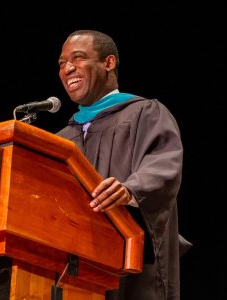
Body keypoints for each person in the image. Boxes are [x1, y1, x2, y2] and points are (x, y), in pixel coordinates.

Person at [56, 29, 192, 300]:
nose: (68, 68)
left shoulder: (145, 113)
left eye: (78, 58)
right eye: (61, 63)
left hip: (131, 267)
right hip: (73, 271)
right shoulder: (62, 139)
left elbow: (163, 164)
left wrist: (130, 190)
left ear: (109, 63)